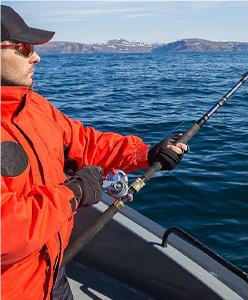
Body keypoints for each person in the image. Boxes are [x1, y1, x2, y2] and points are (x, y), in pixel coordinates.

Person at [1, 5, 188, 300]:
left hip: (51, 272)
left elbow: (86, 143)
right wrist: (74, 193)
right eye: (25, 48)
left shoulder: (33, 107)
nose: (36, 56)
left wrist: (146, 154)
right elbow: (6, 232)